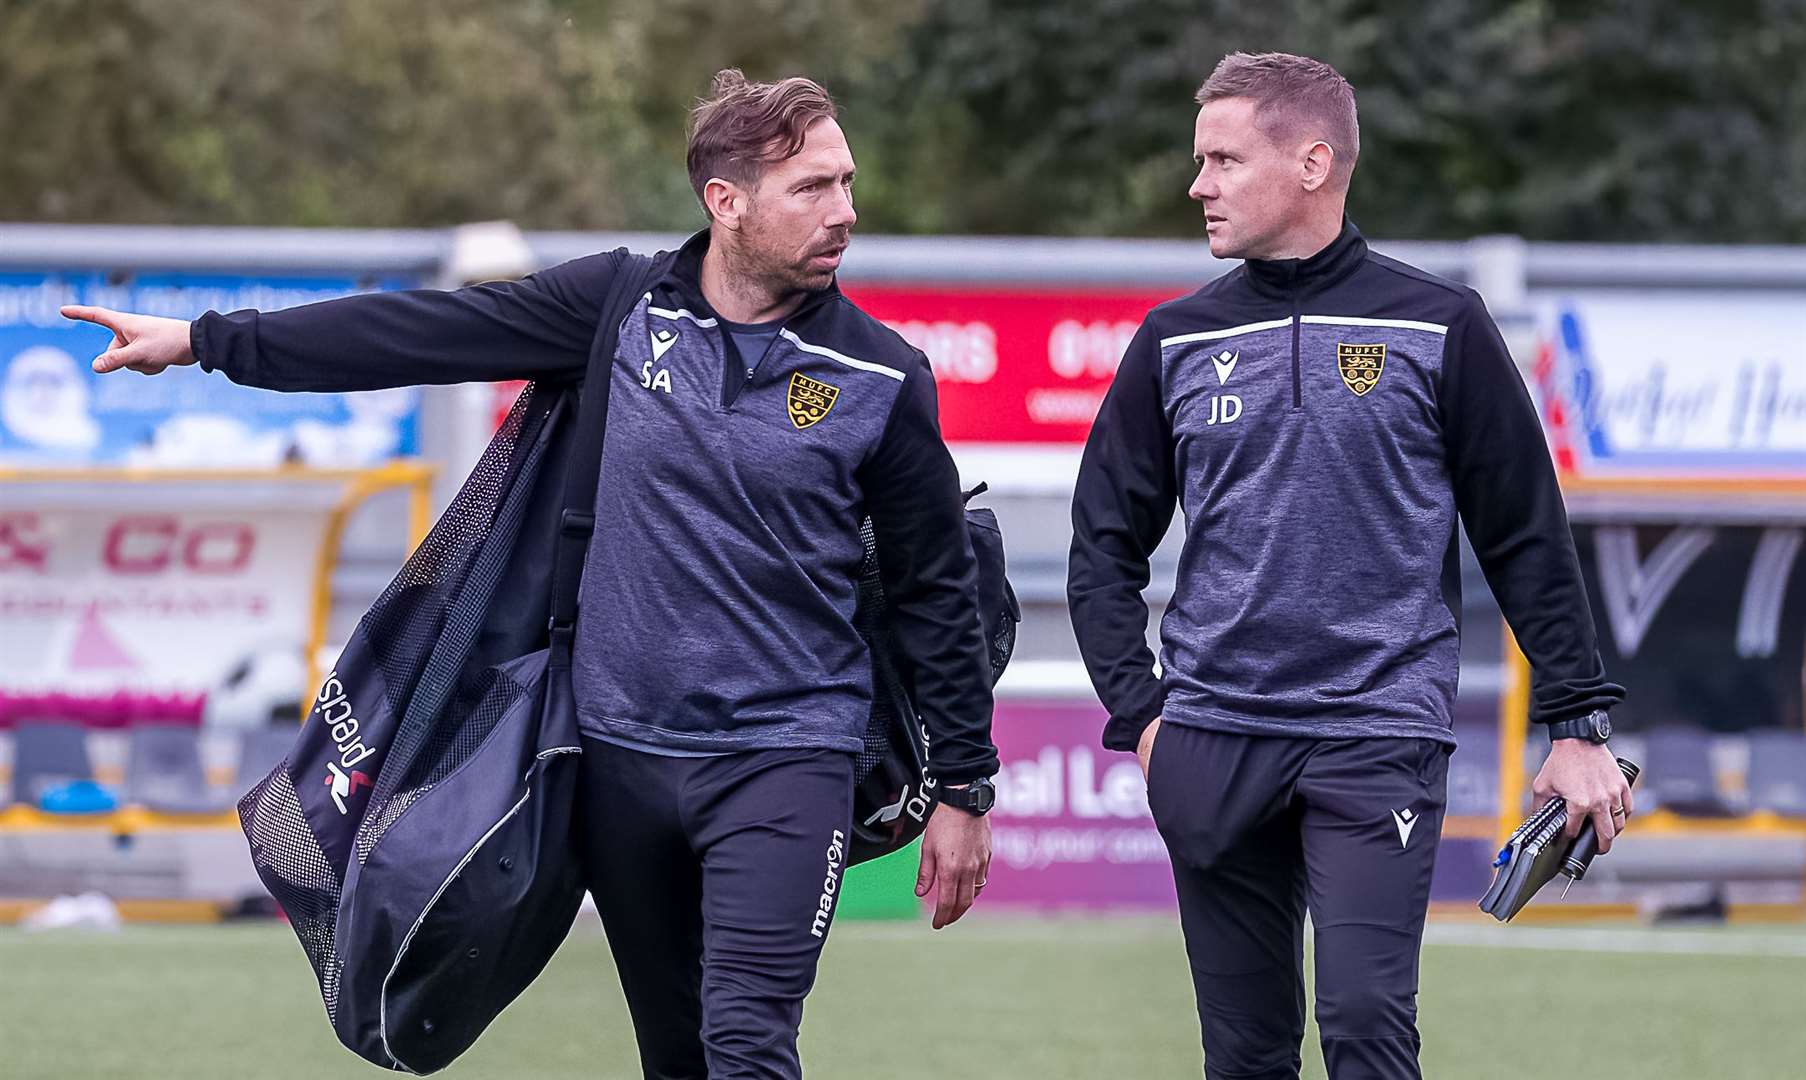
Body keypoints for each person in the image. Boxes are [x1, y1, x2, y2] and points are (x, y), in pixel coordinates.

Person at [64, 69, 999, 1080]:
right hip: (615, 764)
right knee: (679, 1056)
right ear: (725, 203)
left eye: (846, 183)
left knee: (749, 1043)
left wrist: (964, 789)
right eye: (812, 188)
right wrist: (207, 343)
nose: (845, 212)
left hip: (788, 759)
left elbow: (935, 594)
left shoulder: (880, 376)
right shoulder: (620, 306)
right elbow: (420, 335)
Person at [1066, 51, 1632, 1080]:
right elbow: (1102, 544)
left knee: (1367, 1026)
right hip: (1213, 738)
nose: (1199, 184)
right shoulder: (1175, 339)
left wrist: (1578, 723)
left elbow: (1523, 532)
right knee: (1244, 1055)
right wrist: (1143, 719)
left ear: (1313, 163)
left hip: (1376, 736)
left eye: (1224, 160)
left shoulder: (1441, 324)